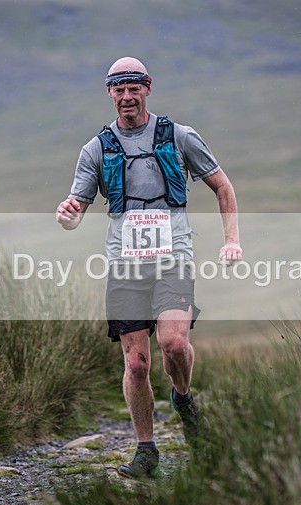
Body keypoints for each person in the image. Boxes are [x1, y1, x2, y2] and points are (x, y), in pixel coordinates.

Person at [55, 57, 242, 479]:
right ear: (110, 93)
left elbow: (223, 186)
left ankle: (182, 396)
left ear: (147, 88)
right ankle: (146, 451)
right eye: (119, 89)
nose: (127, 97)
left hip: (173, 258)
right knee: (137, 364)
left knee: (174, 343)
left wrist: (231, 240)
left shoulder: (179, 136)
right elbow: (76, 210)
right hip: (125, 266)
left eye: (133, 88)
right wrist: (67, 215)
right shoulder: (96, 149)